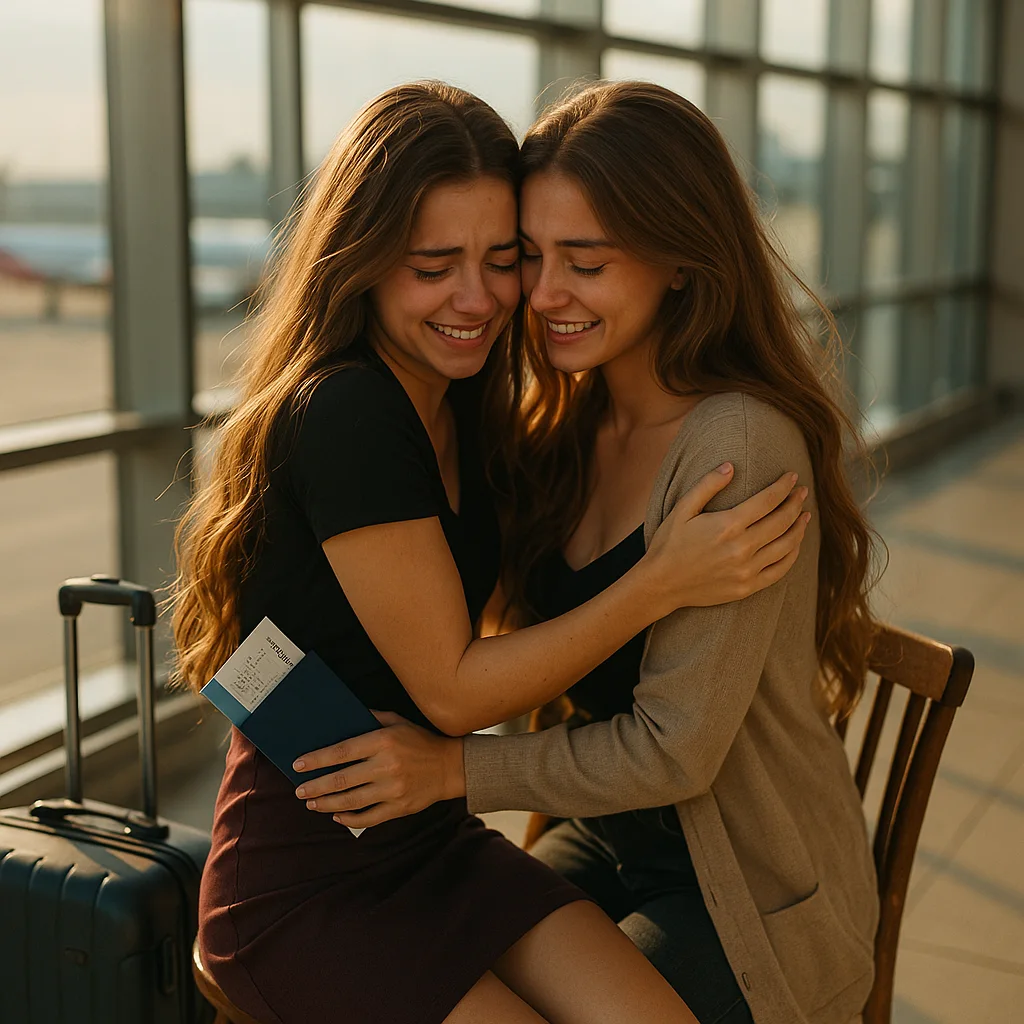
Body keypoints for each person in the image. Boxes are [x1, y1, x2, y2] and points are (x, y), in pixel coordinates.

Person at [171, 82, 809, 1024]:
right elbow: (454, 693)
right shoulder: (352, 412)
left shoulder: (462, 398)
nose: (480, 298)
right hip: (309, 871)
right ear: (365, 265)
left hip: (427, 836)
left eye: (501, 259)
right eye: (434, 266)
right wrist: (660, 580)